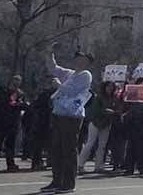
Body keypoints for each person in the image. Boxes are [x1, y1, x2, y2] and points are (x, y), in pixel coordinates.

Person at [39, 50, 93, 194]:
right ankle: (56, 181)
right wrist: (49, 53)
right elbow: (54, 68)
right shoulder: (69, 73)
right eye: (77, 58)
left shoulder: (85, 75)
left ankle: (69, 184)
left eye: (82, 59)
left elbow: (72, 91)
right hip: (59, 113)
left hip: (72, 116)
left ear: (87, 62)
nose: (78, 61)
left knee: (68, 149)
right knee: (56, 149)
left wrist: (58, 85)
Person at [0, 75, 27, 172]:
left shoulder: (20, 93)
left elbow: (24, 105)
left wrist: (18, 104)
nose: (16, 83)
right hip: (2, 121)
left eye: (19, 81)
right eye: (15, 80)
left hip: (14, 121)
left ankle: (10, 164)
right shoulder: (3, 91)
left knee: (10, 144)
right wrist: (8, 102)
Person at [79, 81, 120, 173]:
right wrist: (106, 111)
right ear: (104, 87)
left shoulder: (114, 98)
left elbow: (117, 109)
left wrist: (115, 112)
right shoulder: (99, 97)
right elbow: (95, 110)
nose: (110, 88)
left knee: (102, 146)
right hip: (95, 123)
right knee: (90, 143)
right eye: (108, 86)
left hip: (106, 124)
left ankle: (98, 166)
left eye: (112, 87)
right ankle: (80, 165)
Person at [28, 77, 59, 171]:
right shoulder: (46, 94)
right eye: (54, 83)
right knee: (40, 144)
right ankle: (37, 162)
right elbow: (36, 106)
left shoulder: (55, 94)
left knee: (50, 144)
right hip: (44, 122)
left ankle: (48, 162)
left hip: (49, 121)